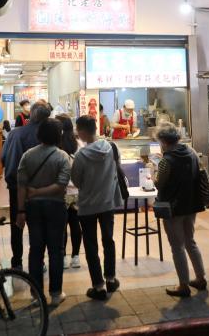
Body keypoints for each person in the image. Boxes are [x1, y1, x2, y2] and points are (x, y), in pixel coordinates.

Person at [15, 118, 71, 306]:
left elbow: (21, 186)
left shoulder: (28, 155)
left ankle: (37, 295)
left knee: (36, 250)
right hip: (56, 207)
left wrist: (21, 210)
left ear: (39, 134)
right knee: (56, 251)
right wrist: (41, 192)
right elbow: (61, 185)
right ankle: (56, 294)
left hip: (33, 208)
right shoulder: (62, 157)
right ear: (58, 136)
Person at [71, 115, 123, 300]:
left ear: (82, 132)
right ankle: (111, 279)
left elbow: (76, 181)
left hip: (87, 206)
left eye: (78, 130)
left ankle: (98, 286)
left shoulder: (80, 155)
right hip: (108, 203)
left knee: (91, 245)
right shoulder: (110, 147)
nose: (77, 133)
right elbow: (116, 169)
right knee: (108, 241)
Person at [154, 122, 207, 297]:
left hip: (173, 208)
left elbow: (159, 183)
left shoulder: (166, 160)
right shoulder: (191, 152)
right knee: (190, 241)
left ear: (163, 141)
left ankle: (183, 285)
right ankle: (200, 278)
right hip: (191, 203)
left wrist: (153, 169)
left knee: (177, 246)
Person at [1, 100, 51, 270]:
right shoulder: (45, 136)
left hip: (15, 187)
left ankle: (17, 262)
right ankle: (39, 262)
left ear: (31, 114)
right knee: (37, 226)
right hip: (38, 189)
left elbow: (3, 158)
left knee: (17, 226)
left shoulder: (15, 133)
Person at [56, 114, 83, 270]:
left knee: (62, 226)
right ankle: (76, 257)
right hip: (77, 191)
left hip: (62, 191)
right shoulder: (78, 144)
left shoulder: (57, 146)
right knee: (75, 224)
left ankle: (63, 257)